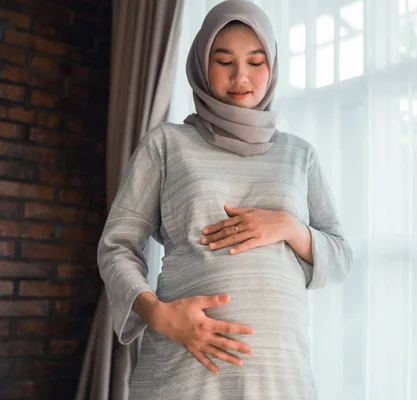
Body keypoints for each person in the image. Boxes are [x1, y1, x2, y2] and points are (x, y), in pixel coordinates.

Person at [97, 0, 353, 398]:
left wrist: (287, 227)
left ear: (273, 67)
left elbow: (340, 258)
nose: (240, 77)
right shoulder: (167, 144)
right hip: (185, 371)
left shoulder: (299, 155)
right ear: (201, 65)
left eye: (255, 62)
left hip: (279, 375)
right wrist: (160, 316)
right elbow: (117, 247)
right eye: (224, 61)